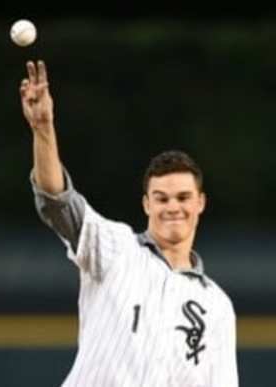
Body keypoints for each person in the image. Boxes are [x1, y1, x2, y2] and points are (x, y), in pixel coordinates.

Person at [20, 59, 239, 387]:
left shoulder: (217, 305)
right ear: (146, 204)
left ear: (200, 203)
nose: (172, 207)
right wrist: (43, 128)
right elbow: (56, 201)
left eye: (182, 197)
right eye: (162, 198)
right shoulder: (114, 248)